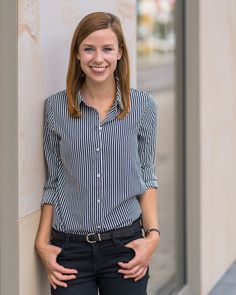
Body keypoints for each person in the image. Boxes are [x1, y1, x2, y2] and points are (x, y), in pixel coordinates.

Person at [35, 11, 160, 295]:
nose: (98, 58)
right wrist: (42, 244)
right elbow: (53, 181)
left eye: (107, 49)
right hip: (70, 251)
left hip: (125, 247)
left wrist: (152, 237)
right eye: (88, 49)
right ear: (77, 55)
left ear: (120, 54)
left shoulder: (144, 107)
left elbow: (147, 175)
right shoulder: (55, 109)